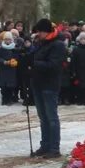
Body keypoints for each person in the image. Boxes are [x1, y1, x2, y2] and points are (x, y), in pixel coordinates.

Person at [29, 18, 66, 158]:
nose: (38, 34)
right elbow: (34, 58)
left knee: (51, 117)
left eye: (40, 31)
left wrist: (35, 64)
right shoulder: (40, 43)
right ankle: (45, 145)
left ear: (46, 31)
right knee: (43, 117)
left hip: (50, 84)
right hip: (38, 84)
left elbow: (54, 65)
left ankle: (54, 147)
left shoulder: (58, 45)